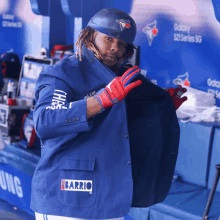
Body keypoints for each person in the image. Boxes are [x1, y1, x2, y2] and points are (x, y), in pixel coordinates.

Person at [31, 8, 187, 220]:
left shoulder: (125, 77)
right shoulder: (62, 73)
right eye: (108, 38)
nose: (115, 47)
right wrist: (102, 100)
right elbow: (45, 122)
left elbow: (124, 124)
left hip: (109, 198)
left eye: (121, 43)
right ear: (89, 37)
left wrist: (162, 108)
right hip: (67, 199)